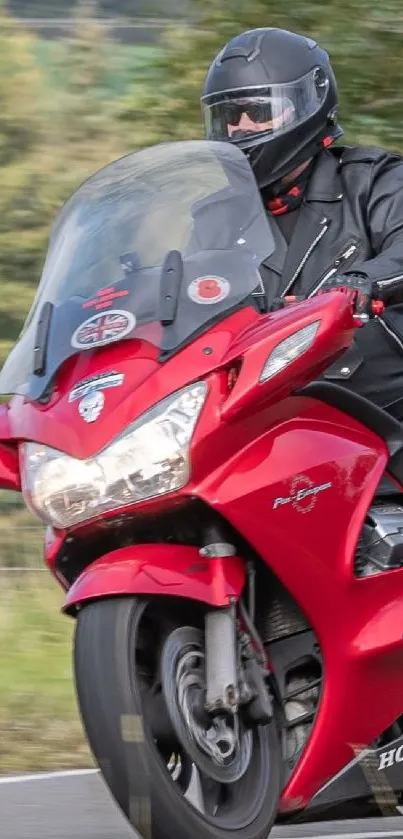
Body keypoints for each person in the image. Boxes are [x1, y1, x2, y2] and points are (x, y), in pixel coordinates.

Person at [200, 27, 403, 419]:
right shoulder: (217, 219)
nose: (241, 127)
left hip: (379, 409)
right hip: (264, 412)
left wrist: (365, 279)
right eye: (229, 116)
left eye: (258, 111)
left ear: (308, 103)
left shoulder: (373, 181)